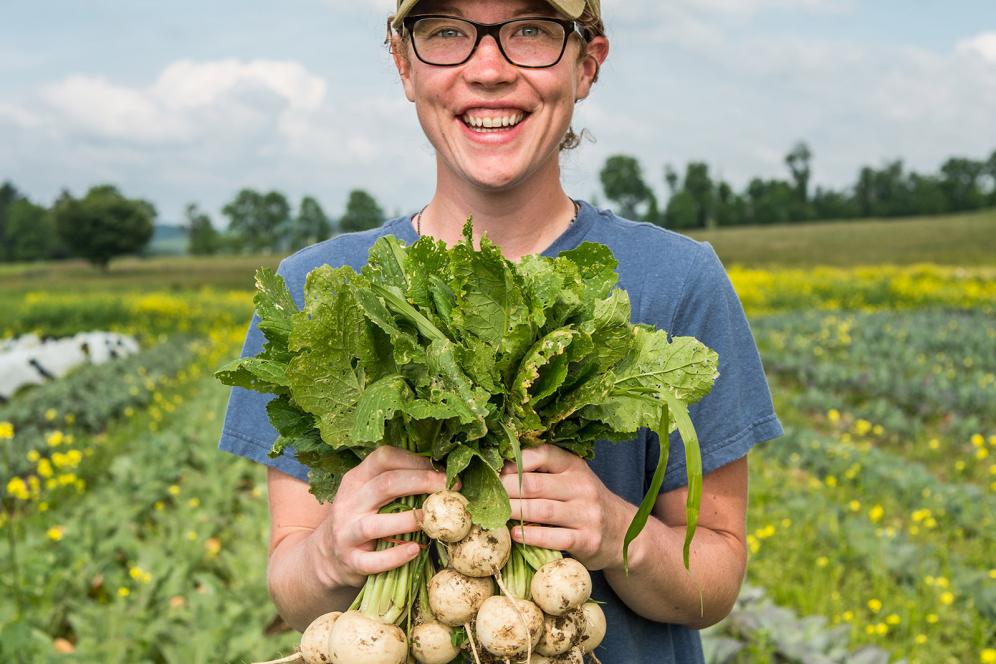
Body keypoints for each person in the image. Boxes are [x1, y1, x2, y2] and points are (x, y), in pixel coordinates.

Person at [218, 1, 784, 662]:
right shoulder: (320, 287)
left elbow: (713, 586)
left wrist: (618, 534)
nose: (488, 68)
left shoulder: (679, 279)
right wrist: (326, 556)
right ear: (403, 62)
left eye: (531, 31)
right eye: (448, 32)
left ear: (587, 63)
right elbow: (292, 589)